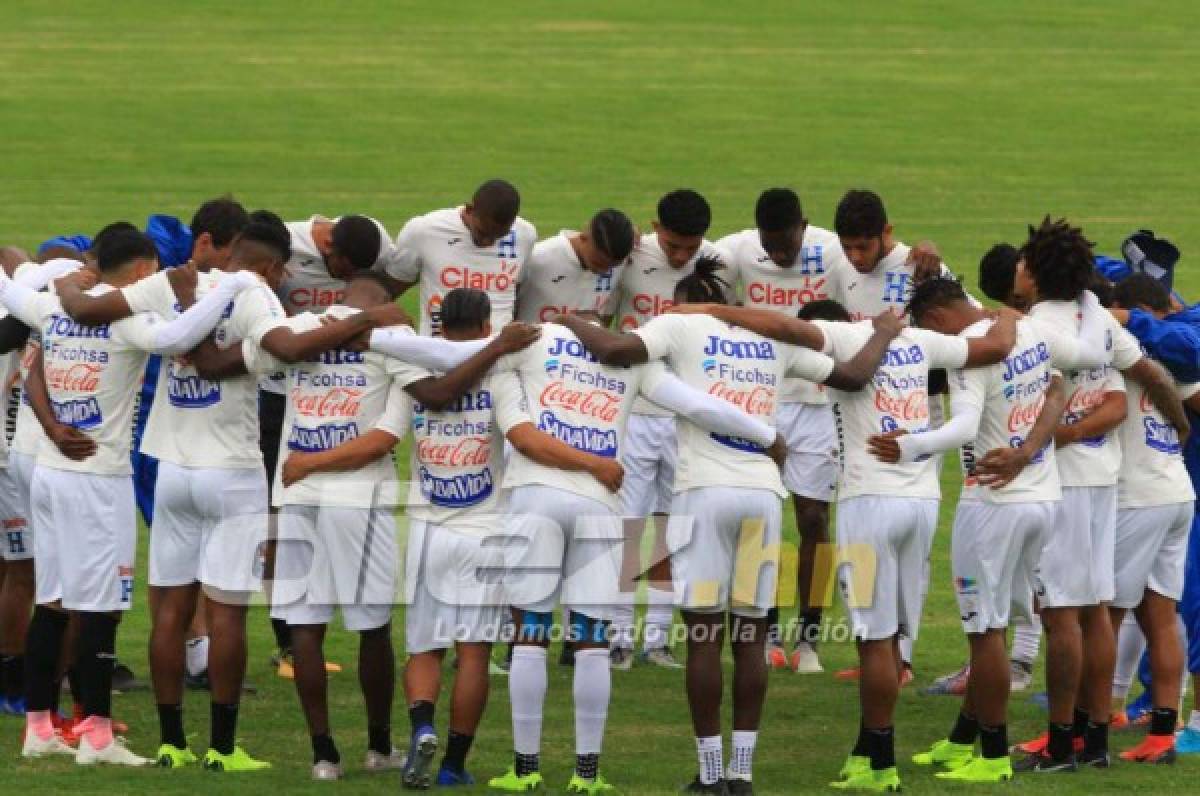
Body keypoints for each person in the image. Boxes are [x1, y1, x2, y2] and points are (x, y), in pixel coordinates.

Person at [560, 259, 906, 793]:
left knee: (702, 637)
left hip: (704, 495)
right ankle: (742, 774)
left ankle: (711, 773)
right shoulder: (766, 334)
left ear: (684, 300)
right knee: (749, 637)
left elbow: (614, 350)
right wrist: (883, 331)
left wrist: (572, 321)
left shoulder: (678, 324)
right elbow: (856, 377)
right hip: (763, 496)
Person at [662, 288, 1019, 792]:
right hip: (923, 502)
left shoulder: (847, 337)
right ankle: (865, 751)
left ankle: (881, 766)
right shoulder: (923, 341)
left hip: (868, 500)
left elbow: (787, 329)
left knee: (872, 641)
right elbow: (996, 348)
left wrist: (711, 310)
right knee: (893, 637)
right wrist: (1005, 315)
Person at [483, 298, 791, 796]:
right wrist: (766, 434)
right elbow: (698, 406)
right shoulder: (633, 364)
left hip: (536, 498)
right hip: (602, 503)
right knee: (591, 642)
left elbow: (448, 360)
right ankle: (587, 775)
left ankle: (525, 769)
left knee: (530, 635)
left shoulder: (531, 344)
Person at [0, 227, 259, 765]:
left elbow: (10, 292)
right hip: (98, 475)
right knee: (99, 608)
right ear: (142, 271)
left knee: (52, 600)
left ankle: (39, 727)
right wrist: (227, 289)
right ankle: (96, 738)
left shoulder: (51, 306)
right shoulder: (127, 322)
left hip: (48, 471)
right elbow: (177, 339)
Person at [384, 289, 632, 788]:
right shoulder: (502, 372)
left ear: (437, 324)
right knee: (476, 653)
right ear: (486, 326)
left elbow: (413, 414)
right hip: (488, 528)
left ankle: (422, 726)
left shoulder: (409, 372)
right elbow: (525, 437)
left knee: (424, 651)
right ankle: (454, 766)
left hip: (430, 529)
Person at [881, 277, 1109, 783]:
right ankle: (966, 741)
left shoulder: (973, 354)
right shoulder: (1029, 330)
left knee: (984, 632)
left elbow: (962, 429)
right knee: (1001, 624)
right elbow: (1059, 388)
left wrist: (909, 445)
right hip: (1044, 498)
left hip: (992, 505)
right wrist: (1028, 453)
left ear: (937, 318)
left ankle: (992, 755)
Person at [1010, 218, 1186, 772]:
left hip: (1061, 482)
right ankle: (1098, 741)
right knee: (1094, 613)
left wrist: (1031, 447)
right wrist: (1180, 427)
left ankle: (1062, 742)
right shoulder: (1098, 316)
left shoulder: (1036, 325)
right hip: (1107, 482)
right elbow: (1150, 373)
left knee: (1062, 614)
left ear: (1035, 270)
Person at [716, 187, 853, 673]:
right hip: (761, 398)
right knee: (760, 515)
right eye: (770, 247)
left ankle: (810, 637)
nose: (778, 255)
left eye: (786, 245)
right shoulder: (736, 250)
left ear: (804, 225)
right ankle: (767, 627)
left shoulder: (832, 249)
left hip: (817, 401)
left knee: (814, 518)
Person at [264, 212, 397, 678]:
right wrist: (366, 321)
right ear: (327, 251)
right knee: (275, 526)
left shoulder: (373, 246)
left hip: (311, 441)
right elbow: (287, 348)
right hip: (290, 410)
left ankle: (294, 645)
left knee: (285, 530)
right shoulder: (286, 247)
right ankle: (285, 642)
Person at [602, 189, 723, 671]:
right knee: (626, 527)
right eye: (672, 245)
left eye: (688, 248)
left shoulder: (718, 261)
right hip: (631, 413)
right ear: (654, 227)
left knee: (674, 527)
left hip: (683, 418)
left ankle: (657, 638)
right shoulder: (629, 256)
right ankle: (616, 635)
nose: (680, 257)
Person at [1104, 274, 1195, 763]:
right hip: (1176, 490)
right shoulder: (1175, 359)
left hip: (1137, 497)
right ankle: (1163, 735)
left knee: (1107, 617)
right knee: (1160, 616)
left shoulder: (1117, 355)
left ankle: (1085, 731)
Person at [387, 179, 537, 336]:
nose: (488, 242)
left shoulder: (525, 235)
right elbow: (391, 288)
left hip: (501, 351)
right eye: (482, 233)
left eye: (498, 236)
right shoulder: (424, 231)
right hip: (440, 348)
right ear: (470, 210)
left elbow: (516, 292)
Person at [515, 209, 635, 323]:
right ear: (583, 237)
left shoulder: (620, 261)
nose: (604, 272)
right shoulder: (538, 258)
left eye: (612, 267)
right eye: (597, 264)